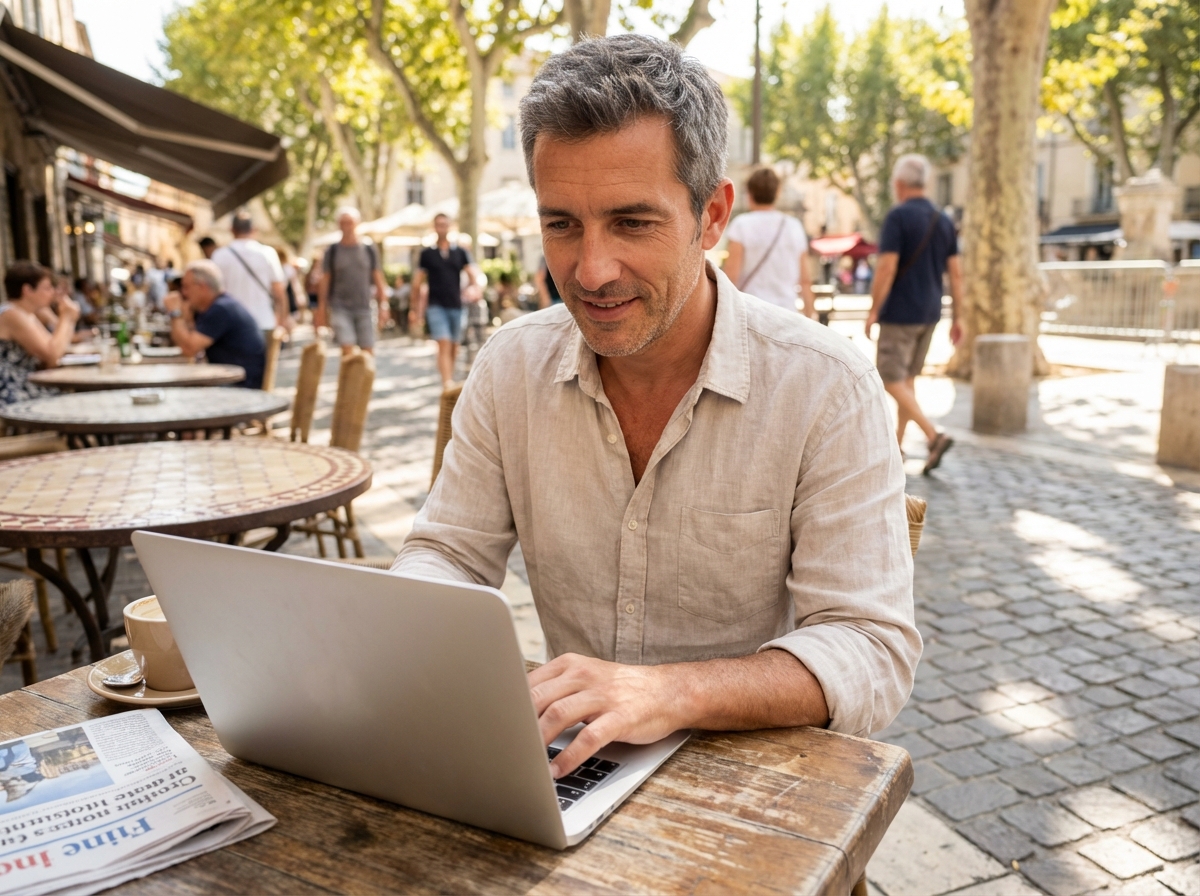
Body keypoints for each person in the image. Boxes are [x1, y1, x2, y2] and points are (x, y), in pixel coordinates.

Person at [392, 34, 920, 779]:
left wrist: (672, 692)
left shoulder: (825, 387)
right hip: (567, 771)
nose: (590, 270)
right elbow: (447, 551)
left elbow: (871, 650)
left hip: (756, 793)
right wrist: (400, 629)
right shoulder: (510, 367)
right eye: (561, 224)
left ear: (712, 217)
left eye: (632, 223)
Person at [865, 154, 962, 474]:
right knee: (907, 379)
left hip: (900, 311)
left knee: (889, 378)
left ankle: (933, 435)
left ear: (899, 184)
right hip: (931, 311)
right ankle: (897, 445)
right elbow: (956, 274)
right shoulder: (943, 219)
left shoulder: (898, 217)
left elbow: (887, 267)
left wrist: (873, 309)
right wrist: (958, 316)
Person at [722, 167, 814, 318]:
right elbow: (805, 280)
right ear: (777, 192)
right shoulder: (793, 226)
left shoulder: (741, 225)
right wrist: (810, 317)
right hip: (787, 314)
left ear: (749, 193)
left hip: (751, 314)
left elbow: (731, 277)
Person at [165, 260, 265, 389]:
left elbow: (188, 349)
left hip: (241, 386)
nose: (183, 293)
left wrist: (175, 313)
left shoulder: (221, 309)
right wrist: (187, 317)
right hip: (234, 379)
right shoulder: (219, 305)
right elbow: (189, 343)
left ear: (202, 287)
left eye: (186, 287)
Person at [410, 213, 482, 386]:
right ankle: (447, 383)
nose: (442, 227)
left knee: (454, 346)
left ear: (450, 226)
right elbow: (417, 283)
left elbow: (473, 276)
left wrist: (474, 288)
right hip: (435, 305)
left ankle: (448, 374)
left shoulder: (460, 252)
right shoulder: (427, 254)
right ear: (434, 227)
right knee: (443, 342)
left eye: (445, 224)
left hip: (456, 305)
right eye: (438, 224)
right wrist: (414, 310)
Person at [0, 261, 79, 404]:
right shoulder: (11, 314)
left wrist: (68, 318)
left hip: (24, 383)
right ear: (27, 290)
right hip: (10, 390)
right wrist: (66, 317)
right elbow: (52, 355)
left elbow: (53, 353)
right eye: (47, 288)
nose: (52, 293)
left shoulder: (26, 313)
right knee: (73, 398)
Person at [315, 207, 389, 355]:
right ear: (338, 225)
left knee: (367, 352)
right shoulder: (332, 250)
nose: (346, 226)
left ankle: (364, 379)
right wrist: (321, 308)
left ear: (357, 223)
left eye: (350, 222)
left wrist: (384, 304)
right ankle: (349, 378)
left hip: (365, 307)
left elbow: (378, 277)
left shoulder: (368, 249)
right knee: (347, 348)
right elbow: (325, 281)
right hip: (340, 307)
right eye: (343, 223)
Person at [211, 213, 289, 339]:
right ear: (254, 229)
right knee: (266, 359)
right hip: (264, 321)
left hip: (230, 324)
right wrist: (283, 320)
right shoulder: (267, 253)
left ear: (232, 230)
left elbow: (213, 293)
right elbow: (279, 291)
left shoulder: (219, 255)